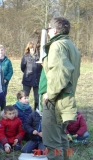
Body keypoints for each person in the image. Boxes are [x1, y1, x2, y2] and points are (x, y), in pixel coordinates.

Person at [39, 17, 81, 160]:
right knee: (62, 139)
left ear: (55, 30)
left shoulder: (58, 45)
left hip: (55, 100)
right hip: (66, 100)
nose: (48, 31)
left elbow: (60, 73)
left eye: (49, 29)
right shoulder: (71, 46)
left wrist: (49, 95)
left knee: (52, 143)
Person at [21, 41, 42, 110]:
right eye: (31, 48)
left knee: (37, 97)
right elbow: (22, 67)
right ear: (28, 48)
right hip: (27, 79)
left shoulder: (40, 56)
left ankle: (36, 111)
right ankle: (25, 110)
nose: (32, 50)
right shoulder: (25, 56)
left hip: (37, 80)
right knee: (25, 96)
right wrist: (29, 73)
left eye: (33, 48)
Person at [0, 45, 13, 111]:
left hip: (4, 83)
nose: (1, 52)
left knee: (3, 97)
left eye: (2, 50)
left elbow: (10, 71)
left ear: (4, 51)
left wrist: (6, 79)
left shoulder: (7, 61)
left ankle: (3, 112)